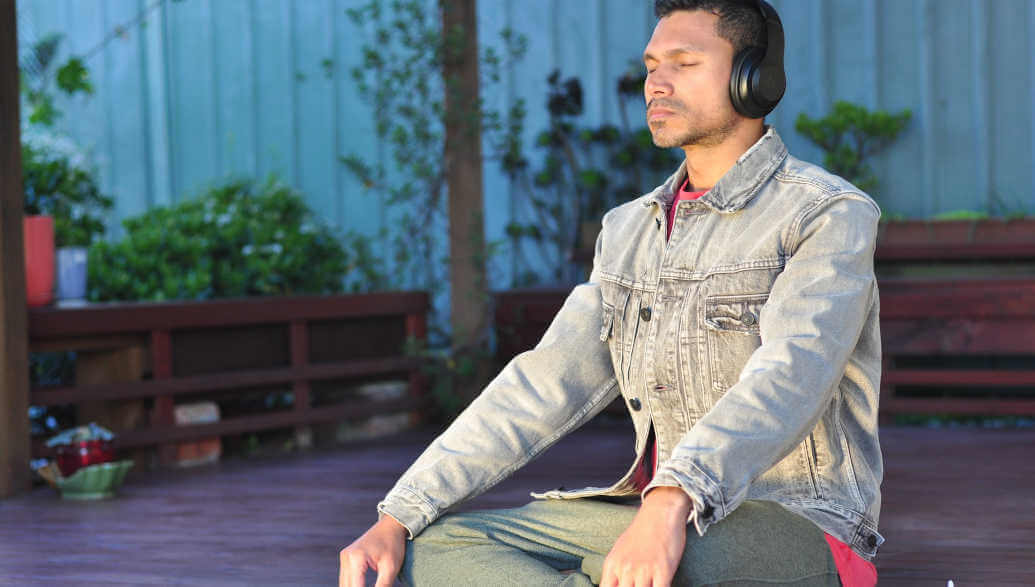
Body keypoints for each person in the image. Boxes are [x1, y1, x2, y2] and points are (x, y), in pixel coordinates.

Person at [340, 1, 884, 585]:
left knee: (662, 569)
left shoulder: (825, 213)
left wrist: (673, 498)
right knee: (437, 547)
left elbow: (791, 375)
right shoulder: (628, 230)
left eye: (683, 62)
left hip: (794, 521)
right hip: (650, 515)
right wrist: (399, 512)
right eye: (651, 66)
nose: (657, 83)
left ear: (754, 79)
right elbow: (543, 384)